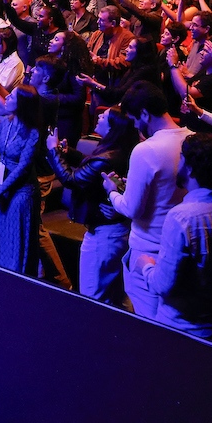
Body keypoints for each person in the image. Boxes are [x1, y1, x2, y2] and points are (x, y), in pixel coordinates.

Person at [134, 133, 212, 346]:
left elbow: (163, 285)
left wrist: (145, 266)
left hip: (185, 333)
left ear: (189, 167)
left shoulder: (181, 217)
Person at [103, 81, 193, 320]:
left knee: (147, 323)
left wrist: (112, 191)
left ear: (144, 113)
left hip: (148, 249)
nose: (135, 126)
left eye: (134, 119)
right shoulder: (193, 139)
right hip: (182, 248)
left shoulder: (146, 150)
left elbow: (132, 208)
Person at [45, 106, 136, 304]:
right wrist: (68, 153)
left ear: (112, 127)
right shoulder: (117, 150)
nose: (99, 115)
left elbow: (71, 180)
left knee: (92, 296)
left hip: (104, 234)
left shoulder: (107, 158)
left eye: (105, 116)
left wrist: (53, 151)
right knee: (114, 297)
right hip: (116, 230)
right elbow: (91, 165)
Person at [0, 85, 44, 275]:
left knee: (16, 240)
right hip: (1, 190)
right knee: (0, 237)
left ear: (22, 104)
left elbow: (22, 168)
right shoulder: (4, 123)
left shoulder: (33, 132)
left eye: (12, 96)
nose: (7, 97)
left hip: (21, 193)